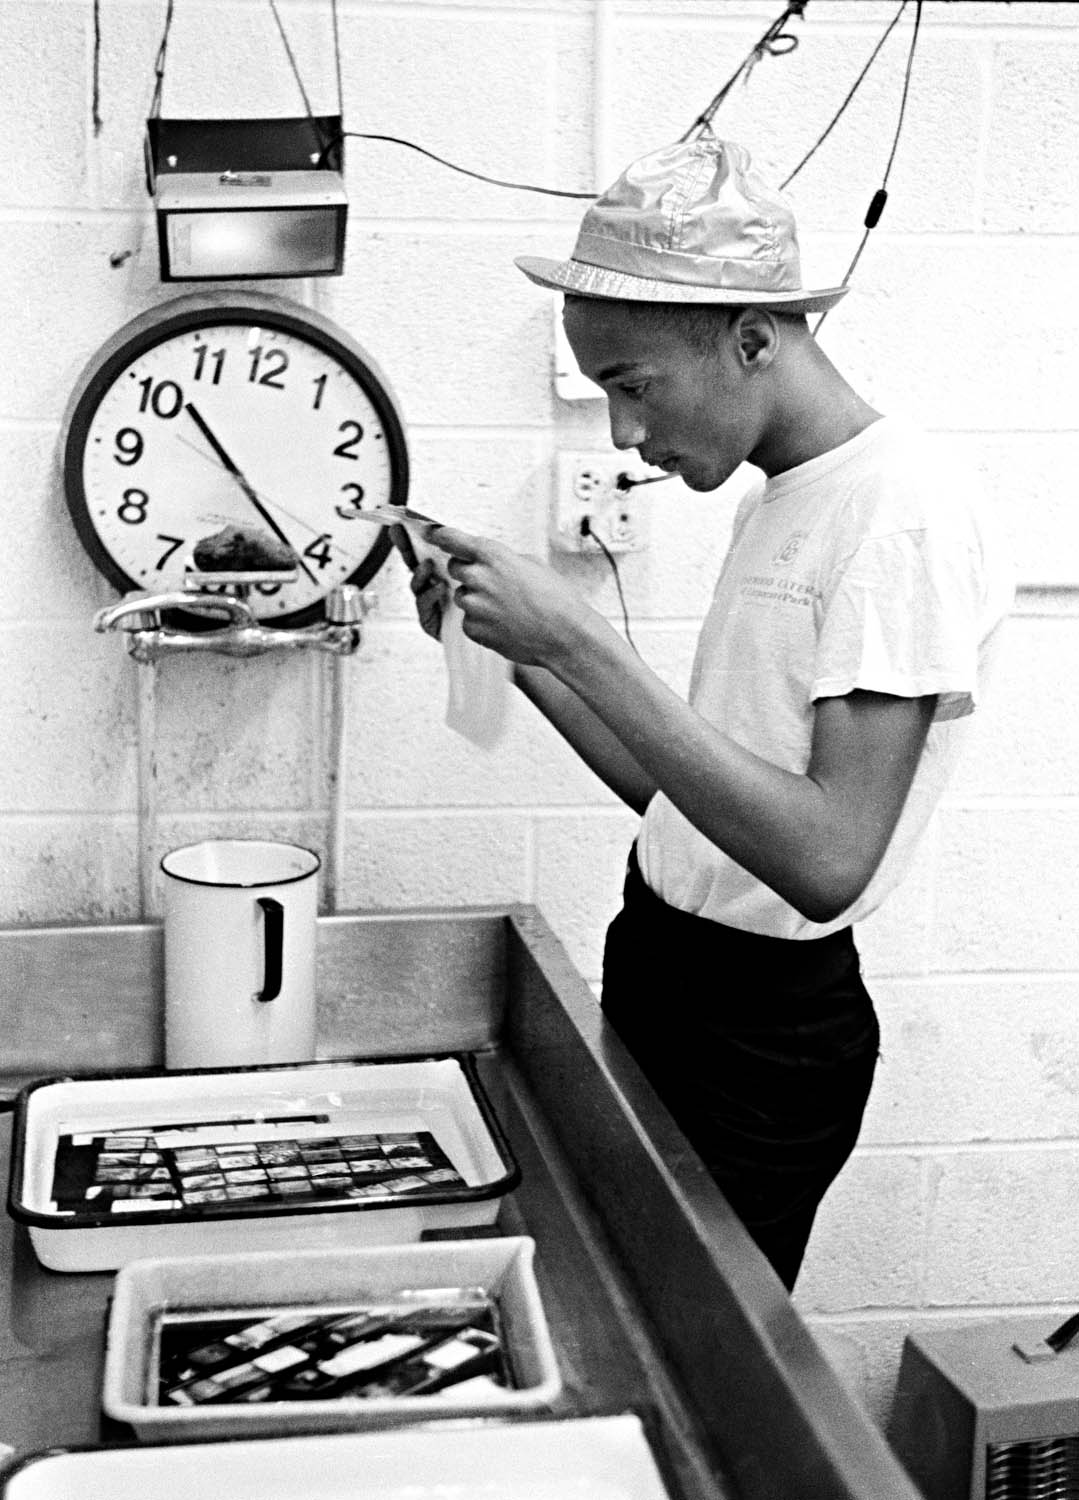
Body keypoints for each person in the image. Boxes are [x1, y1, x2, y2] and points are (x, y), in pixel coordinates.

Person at [403, 137, 1013, 1291]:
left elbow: (824, 859)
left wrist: (578, 637)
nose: (626, 434)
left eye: (633, 386)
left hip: (761, 1034)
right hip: (667, 966)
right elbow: (676, 797)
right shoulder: (784, 500)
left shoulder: (900, 518)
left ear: (749, 340)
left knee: (698, 1363)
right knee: (626, 1300)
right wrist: (517, 655)